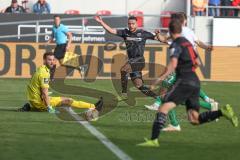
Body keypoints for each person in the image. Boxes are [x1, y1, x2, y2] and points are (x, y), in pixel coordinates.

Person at [137, 19, 238, 147]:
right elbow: (197, 63)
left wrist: (159, 79)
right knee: (194, 119)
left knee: (163, 106)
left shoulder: (176, 44)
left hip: (184, 80)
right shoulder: (188, 43)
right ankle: (222, 112)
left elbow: (173, 64)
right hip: (195, 80)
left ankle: (154, 140)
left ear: (171, 31)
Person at [145, 12, 216, 131]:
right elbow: (164, 39)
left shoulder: (186, 32)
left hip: (183, 65)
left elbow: (198, 43)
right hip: (186, 65)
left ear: (181, 21)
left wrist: (206, 47)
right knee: (181, 95)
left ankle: (171, 119)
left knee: (166, 91)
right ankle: (209, 104)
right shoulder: (177, 31)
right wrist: (158, 35)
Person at [18, 52, 103, 118]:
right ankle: (94, 106)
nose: (52, 62)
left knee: (61, 99)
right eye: (49, 60)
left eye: (53, 60)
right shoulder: (44, 73)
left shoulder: (41, 69)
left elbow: (36, 87)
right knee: (68, 100)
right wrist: (49, 108)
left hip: (33, 100)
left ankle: (30, 107)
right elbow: (44, 93)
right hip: (39, 102)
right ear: (44, 60)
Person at [95, 16, 161, 102]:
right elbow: (111, 31)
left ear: (137, 24)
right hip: (132, 62)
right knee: (139, 86)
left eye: (133, 23)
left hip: (139, 60)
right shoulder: (125, 32)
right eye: (129, 24)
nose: (131, 25)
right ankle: (159, 98)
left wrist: (158, 34)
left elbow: (158, 38)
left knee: (123, 69)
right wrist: (101, 22)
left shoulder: (143, 33)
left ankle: (124, 94)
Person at [47, 15, 73, 80]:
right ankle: (53, 77)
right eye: (55, 20)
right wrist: (48, 42)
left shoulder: (63, 27)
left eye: (58, 20)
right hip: (58, 46)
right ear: (54, 20)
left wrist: (68, 45)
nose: (56, 21)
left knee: (54, 61)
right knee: (58, 62)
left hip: (63, 46)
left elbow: (70, 35)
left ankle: (52, 77)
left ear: (60, 20)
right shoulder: (53, 28)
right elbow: (52, 36)